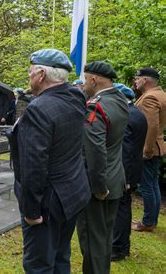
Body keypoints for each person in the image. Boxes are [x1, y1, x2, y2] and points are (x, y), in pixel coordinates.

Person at [8, 49, 90, 273]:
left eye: (30, 72)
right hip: (73, 193)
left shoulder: (38, 109)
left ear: (41, 74)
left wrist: (32, 211)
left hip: (49, 204)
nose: (29, 77)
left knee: (39, 265)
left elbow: (33, 167)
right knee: (61, 257)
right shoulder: (76, 97)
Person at [77, 61, 129, 274]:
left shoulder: (96, 106)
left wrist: (97, 187)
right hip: (115, 179)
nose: (83, 84)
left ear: (94, 79)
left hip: (98, 185)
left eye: (85, 79)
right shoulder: (120, 100)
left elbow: (95, 150)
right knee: (104, 238)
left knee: (92, 241)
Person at [111, 83, 147, 261]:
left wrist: (122, 177)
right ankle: (121, 246)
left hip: (125, 171)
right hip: (133, 168)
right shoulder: (137, 113)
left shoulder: (125, 116)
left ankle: (118, 248)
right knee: (123, 207)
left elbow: (124, 149)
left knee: (120, 209)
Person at [132, 67, 166, 232]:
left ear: (145, 80)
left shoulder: (150, 97)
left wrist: (146, 150)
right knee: (152, 184)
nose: (136, 81)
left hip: (149, 147)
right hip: (157, 146)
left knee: (147, 185)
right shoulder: (161, 94)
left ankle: (147, 222)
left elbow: (151, 126)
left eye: (137, 79)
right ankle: (151, 219)